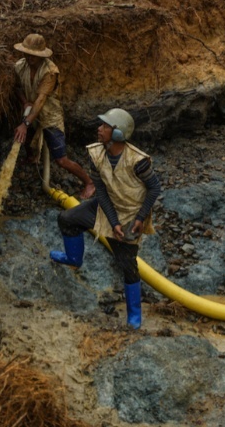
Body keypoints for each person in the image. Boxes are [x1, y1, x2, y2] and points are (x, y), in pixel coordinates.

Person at [49, 108, 161, 329]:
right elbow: (100, 191)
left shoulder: (137, 161)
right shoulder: (96, 155)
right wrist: (112, 222)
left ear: (118, 133)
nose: (99, 129)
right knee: (67, 219)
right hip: (105, 206)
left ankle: (134, 316)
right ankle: (74, 259)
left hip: (130, 213)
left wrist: (139, 218)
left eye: (105, 126)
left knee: (127, 264)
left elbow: (154, 188)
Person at [13, 33, 94, 199]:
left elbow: (41, 99)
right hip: (31, 112)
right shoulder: (20, 66)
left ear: (40, 55)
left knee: (61, 160)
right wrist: (24, 103)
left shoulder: (49, 72)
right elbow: (17, 87)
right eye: (27, 54)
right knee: (26, 139)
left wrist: (25, 123)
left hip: (50, 115)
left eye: (33, 55)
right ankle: (32, 158)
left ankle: (89, 182)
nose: (29, 58)